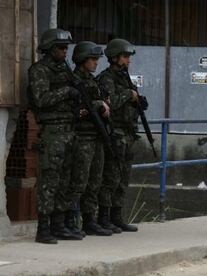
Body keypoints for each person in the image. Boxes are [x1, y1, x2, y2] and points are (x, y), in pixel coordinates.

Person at [28, 28, 83, 243]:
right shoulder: (39, 70)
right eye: (61, 48)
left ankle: (59, 225)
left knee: (65, 182)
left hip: (69, 131)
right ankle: (43, 229)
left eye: (66, 48)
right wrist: (67, 92)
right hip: (52, 133)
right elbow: (41, 99)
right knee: (49, 181)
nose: (65, 51)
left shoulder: (65, 70)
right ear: (49, 48)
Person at [65, 41, 112, 237]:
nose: (95, 63)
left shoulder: (93, 81)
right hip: (82, 137)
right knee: (79, 182)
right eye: (92, 59)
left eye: (96, 59)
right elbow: (73, 107)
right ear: (82, 60)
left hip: (96, 136)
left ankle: (89, 221)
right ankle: (70, 221)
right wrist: (97, 104)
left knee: (95, 181)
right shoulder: (74, 80)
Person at [97, 38, 140, 233]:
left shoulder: (125, 78)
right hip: (115, 134)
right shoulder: (106, 78)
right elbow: (111, 102)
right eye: (124, 57)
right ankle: (104, 217)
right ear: (114, 58)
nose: (128, 61)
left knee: (123, 178)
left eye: (128, 57)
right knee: (111, 178)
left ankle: (117, 216)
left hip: (128, 133)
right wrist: (128, 95)